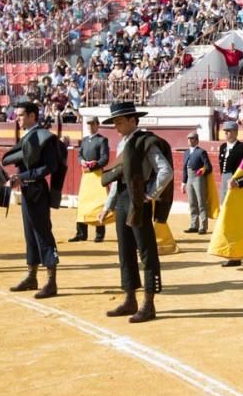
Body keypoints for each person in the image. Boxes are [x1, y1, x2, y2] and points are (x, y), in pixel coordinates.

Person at [98, 102, 174, 323]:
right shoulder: (123, 143)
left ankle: (149, 304)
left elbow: (165, 171)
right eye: (115, 122)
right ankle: (130, 298)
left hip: (138, 201)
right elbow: (116, 180)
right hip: (123, 199)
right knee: (125, 250)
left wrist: (150, 194)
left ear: (133, 120)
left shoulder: (146, 142)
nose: (116, 126)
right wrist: (108, 206)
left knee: (146, 251)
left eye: (120, 121)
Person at [2, 101, 62, 300]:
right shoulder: (30, 136)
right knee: (30, 234)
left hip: (37, 191)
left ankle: (51, 281)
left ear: (32, 116)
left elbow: (50, 167)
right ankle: (32, 277)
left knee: (43, 233)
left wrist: (24, 175)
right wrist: (19, 177)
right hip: (28, 190)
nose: (16, 119)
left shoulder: (44, 138)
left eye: (20, 115)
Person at [217, 121, 243, 268]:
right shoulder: (222, 147)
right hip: (225, 183)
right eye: (225, 130)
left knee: (242, 220)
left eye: (229, 131)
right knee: (228, 220)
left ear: (236, 132)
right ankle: (233, 256)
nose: (226, 133)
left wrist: (239, 183)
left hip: (239, 187)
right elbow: (223, 171)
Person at [70, 117, 110, 243]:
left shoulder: (102, 140)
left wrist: (93, 165)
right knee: (83, 203)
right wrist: (81, 161)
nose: (91, 126)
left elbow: (105, 158)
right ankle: (81, 233)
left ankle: (99, 234)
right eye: (89, 124)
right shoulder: (85, 140)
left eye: (93, 124)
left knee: (98, 203)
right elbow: (79, 155)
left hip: (97, 175)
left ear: (98, 125)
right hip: (86, 176)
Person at [182, 131, 212, 235]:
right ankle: (194, 225)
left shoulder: (201, 152)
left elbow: (209, 167)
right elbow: (184, 169)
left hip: (198, 178)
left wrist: (202, 170)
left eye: (192, 138)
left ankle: (203, 226)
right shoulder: (186, 152)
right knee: (192, 202)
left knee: (201, 202)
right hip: (189, 178)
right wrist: (183, 182)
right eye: (189, 138)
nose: (190, 140)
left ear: (197, 140)